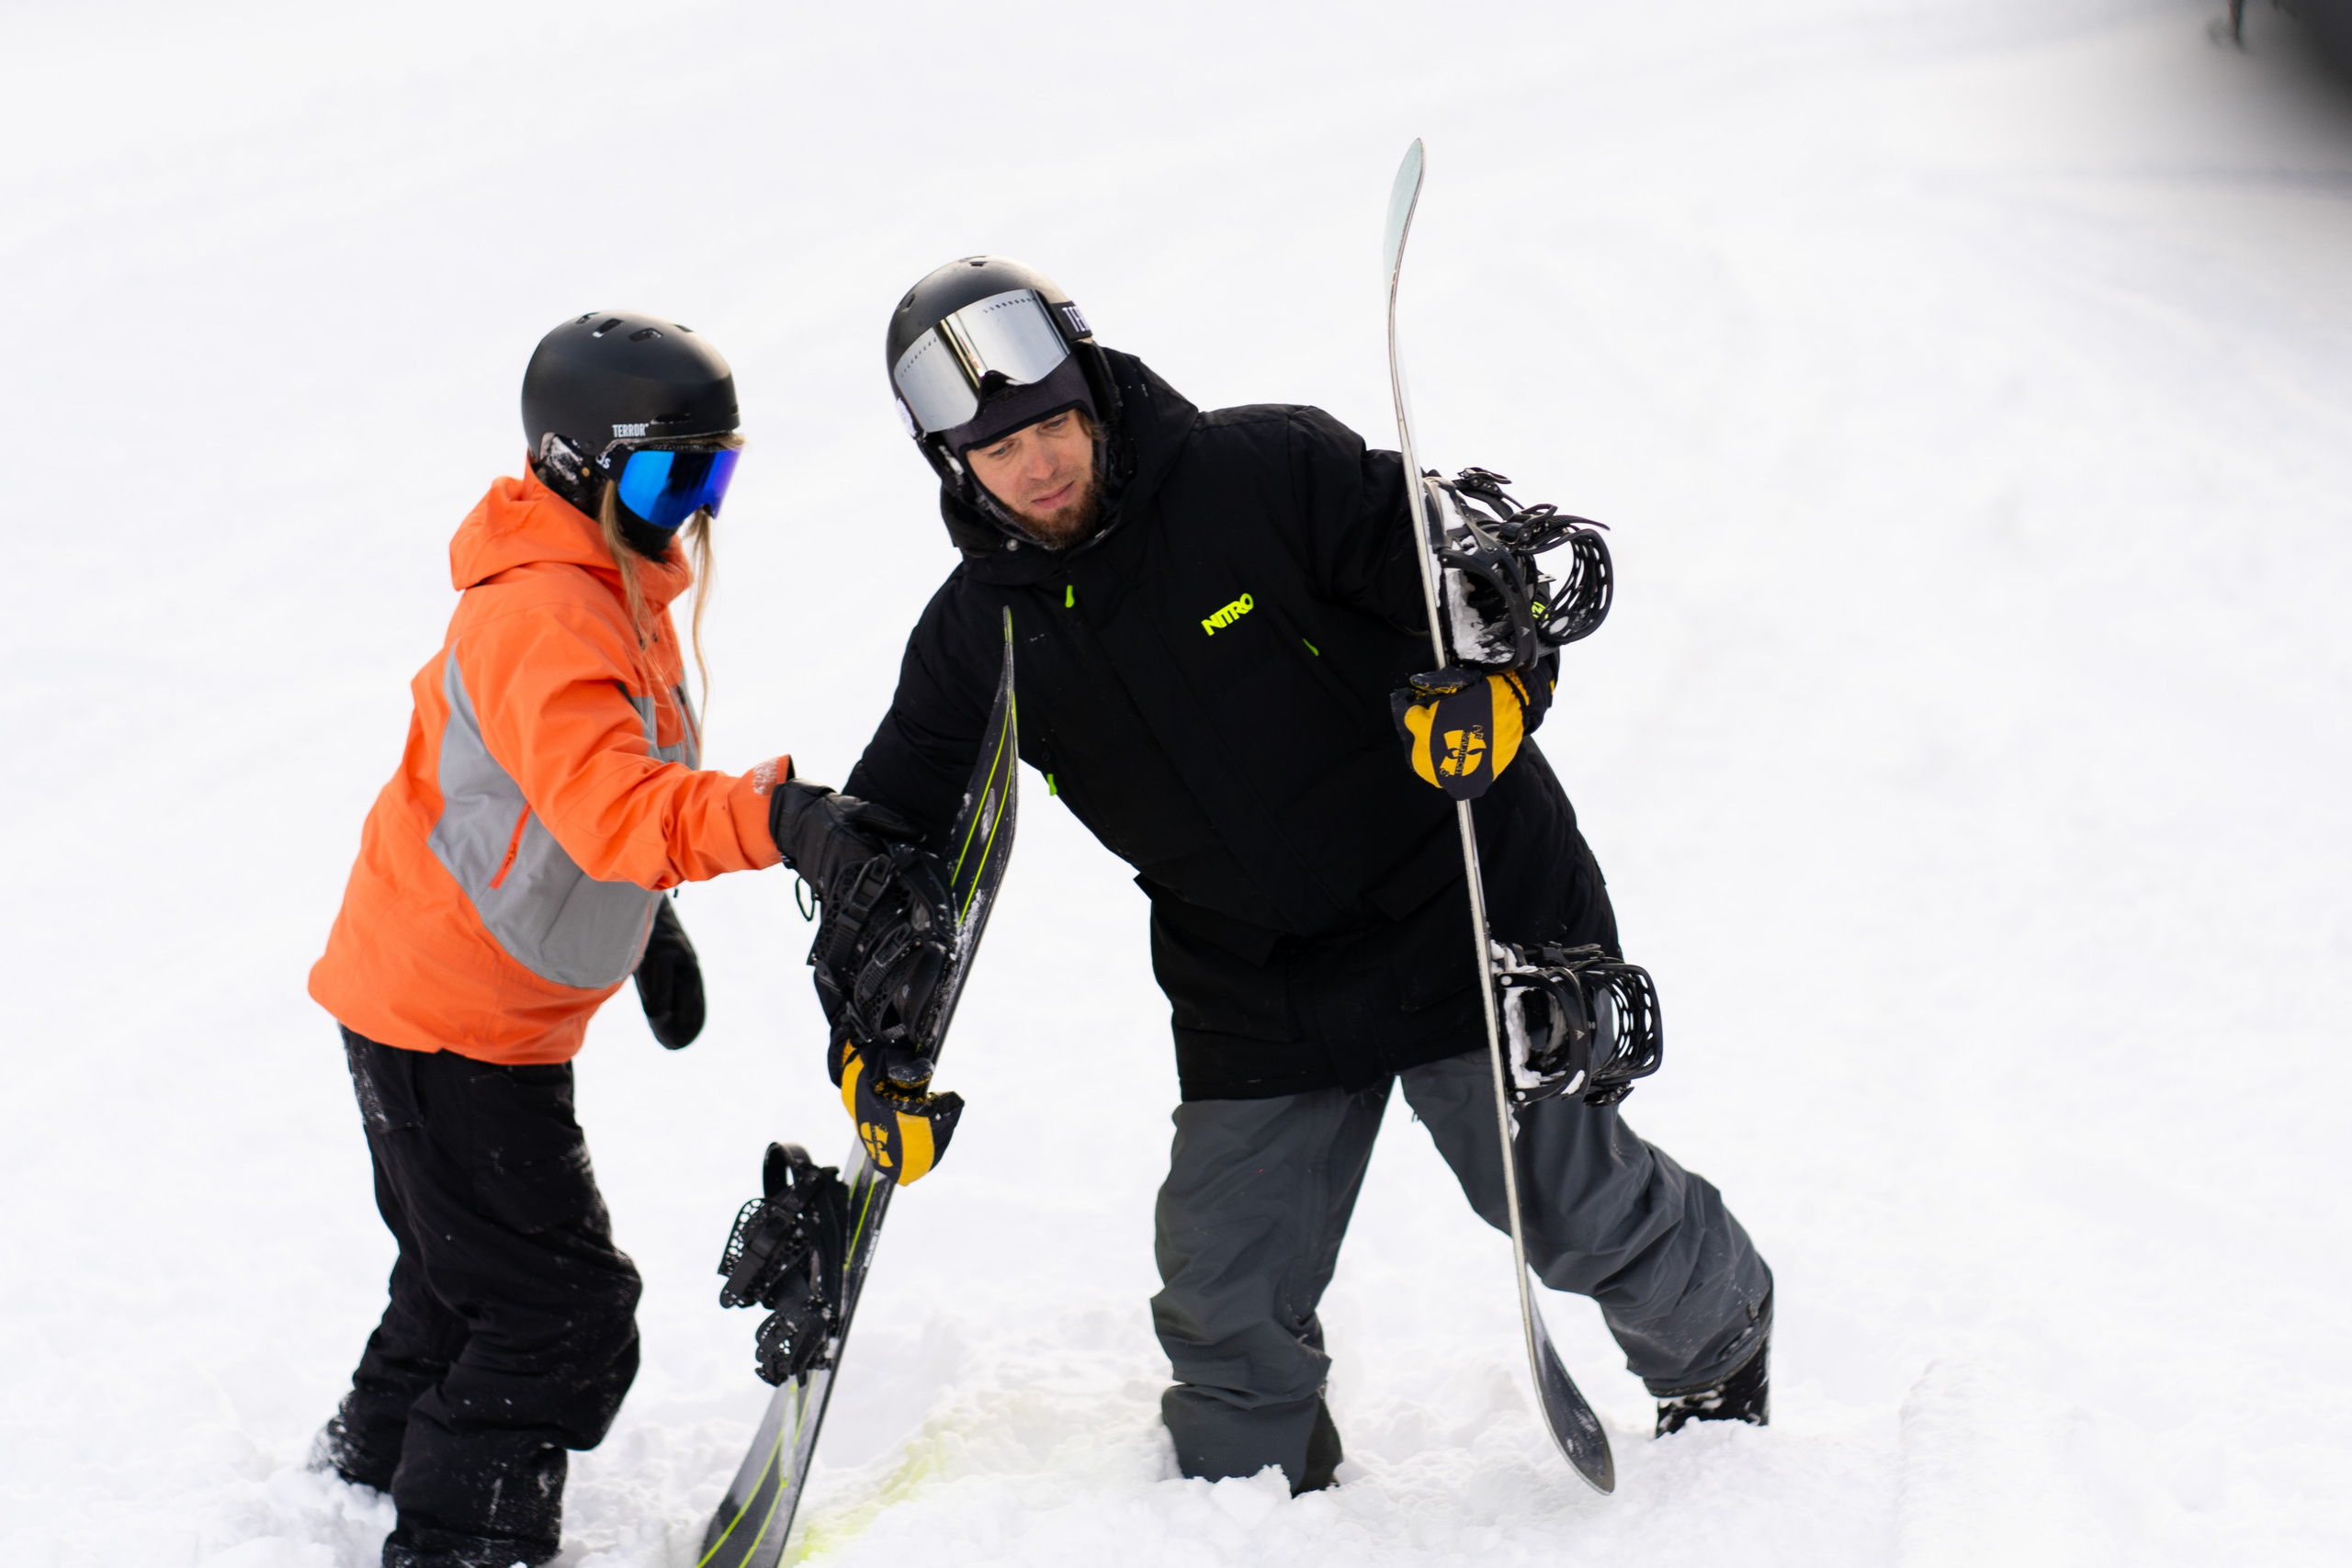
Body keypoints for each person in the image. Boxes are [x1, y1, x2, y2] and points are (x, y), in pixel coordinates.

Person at [806, 256, 1775, 1494]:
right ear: (951, 464)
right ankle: (1252, 1500)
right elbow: (893, 837)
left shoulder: (1261, 472)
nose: (1038, 466)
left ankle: (1718, 1351)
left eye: (1052, 425)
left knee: (1553, 1194)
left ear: (1092, 395)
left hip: (1459, 891)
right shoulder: (976, 638)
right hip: (1253, 976)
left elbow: (1478, 576)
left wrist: (1495, 686)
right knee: (1223, 1287)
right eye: (999, 450)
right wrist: (873, 1038)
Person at [307, 310, 917, 1568]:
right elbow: (614, 805)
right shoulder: (547, 610)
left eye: (715, 473)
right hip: (451, 1022)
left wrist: (645, 925)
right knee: (560, 1313)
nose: (693, 506)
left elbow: (546, 797)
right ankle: (462, 1539)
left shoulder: (610, 584)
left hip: (453, 996)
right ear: (580, 465)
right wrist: (780, 819)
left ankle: (363, 1467)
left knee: (458, 1275)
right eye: (667, 474)